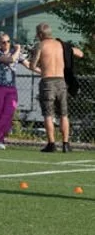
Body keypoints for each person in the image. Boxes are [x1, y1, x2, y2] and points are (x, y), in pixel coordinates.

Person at [29, 22, 84, 152]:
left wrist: (41, 69)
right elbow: (80, 53)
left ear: (41, 34)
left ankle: (51, 144)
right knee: (64, 114)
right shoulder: (62, 45)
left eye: (37, 34)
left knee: (48, 114)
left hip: (47, 81)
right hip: (61, 81)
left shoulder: (41, 46)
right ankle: (66, 144)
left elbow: (32, 65)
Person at [0, 32, 26, 149]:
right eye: (3, 42)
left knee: (8, 114)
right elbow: (10, 60)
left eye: (8, 41)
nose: (6, 44)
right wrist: (18, 50)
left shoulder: (15, 54)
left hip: (11, 88)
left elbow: (30, 65)